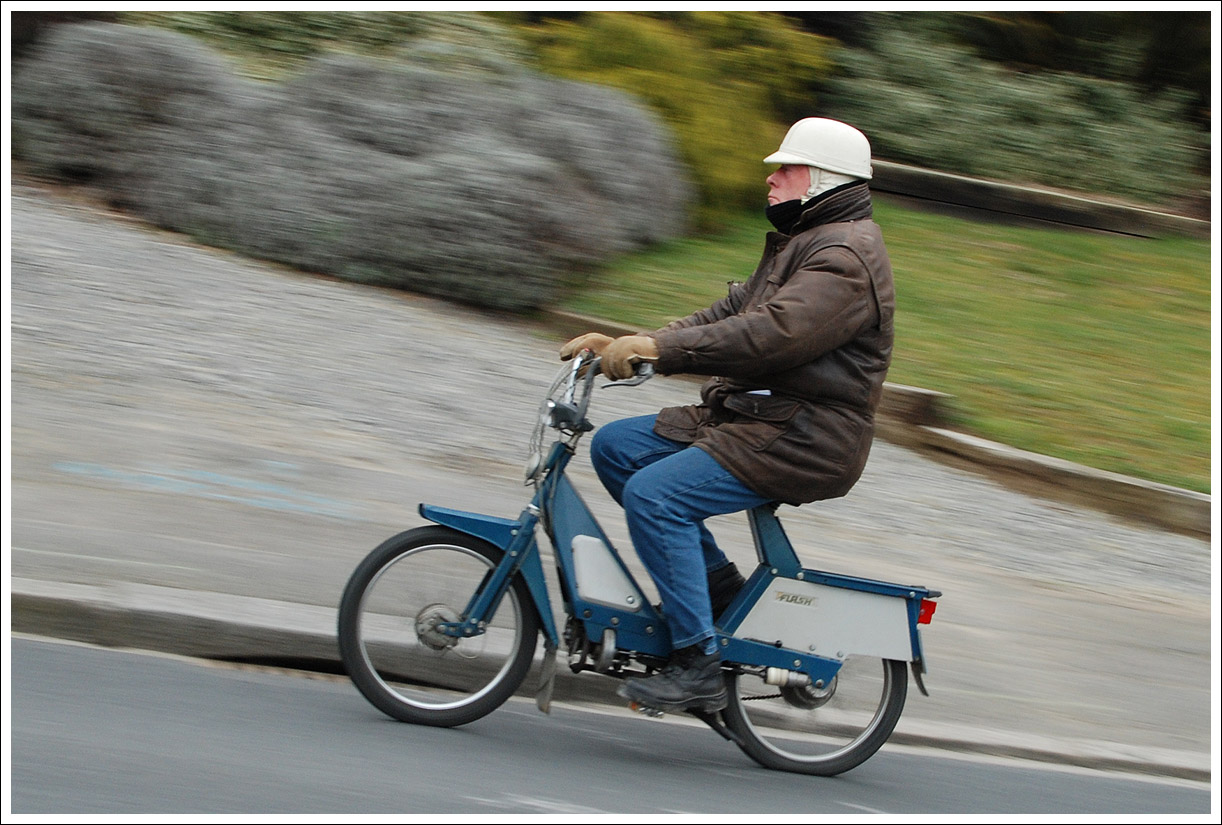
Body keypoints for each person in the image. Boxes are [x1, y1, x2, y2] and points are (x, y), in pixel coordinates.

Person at [559, 117, 895, 714]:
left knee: (658, 496)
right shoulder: (803, 244)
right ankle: (717, 595)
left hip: (805, 436)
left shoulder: (845, 257)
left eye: (785, 169)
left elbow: (773, 336)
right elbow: (726, 313)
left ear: (822, 179)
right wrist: (634, 341)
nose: (771, 178)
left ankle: (697, 663)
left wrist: (662, 354)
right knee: (616, 448)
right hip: (754, 419)